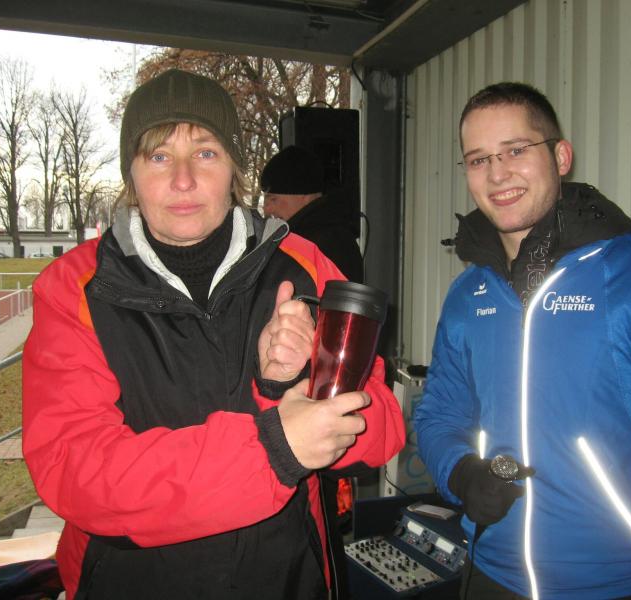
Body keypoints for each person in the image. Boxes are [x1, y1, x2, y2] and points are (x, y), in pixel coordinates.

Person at [21, 69, 405, 600]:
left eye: (205, 152)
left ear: (234, 168)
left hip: (288, 579)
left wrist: (297, 386)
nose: (183, 180)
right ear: (131, 173)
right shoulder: (75, 288)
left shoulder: (304, 266)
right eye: (159, 156)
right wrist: (273, 450)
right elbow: (75, 471)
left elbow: (381, 430)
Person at [413, 82, 631, 599]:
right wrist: (461, 474)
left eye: (516, 150)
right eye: (478, 159)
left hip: (624, 584)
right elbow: (439, 414)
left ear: (561, 156)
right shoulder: (467, 295)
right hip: (490, 575)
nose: (497, 174)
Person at [260, 145, 364, 283]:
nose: (267, 209)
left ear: (303, 194)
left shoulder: (325, 244)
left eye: (274, 199)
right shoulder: (332, 236)